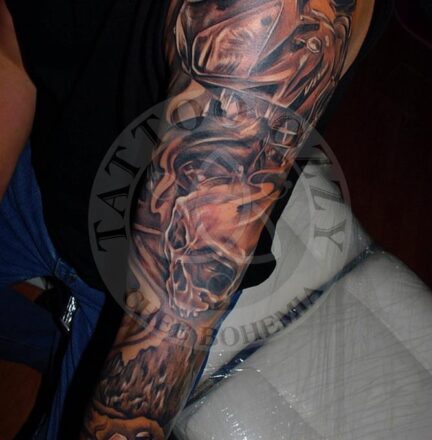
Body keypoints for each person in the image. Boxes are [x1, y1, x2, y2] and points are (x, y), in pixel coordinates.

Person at [0, 0, 388, 438]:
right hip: (42, 174)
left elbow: (174, 314)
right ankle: (57, 350)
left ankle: (75, 358)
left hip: (142, 286)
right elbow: (13, 49)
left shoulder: (268, 16)